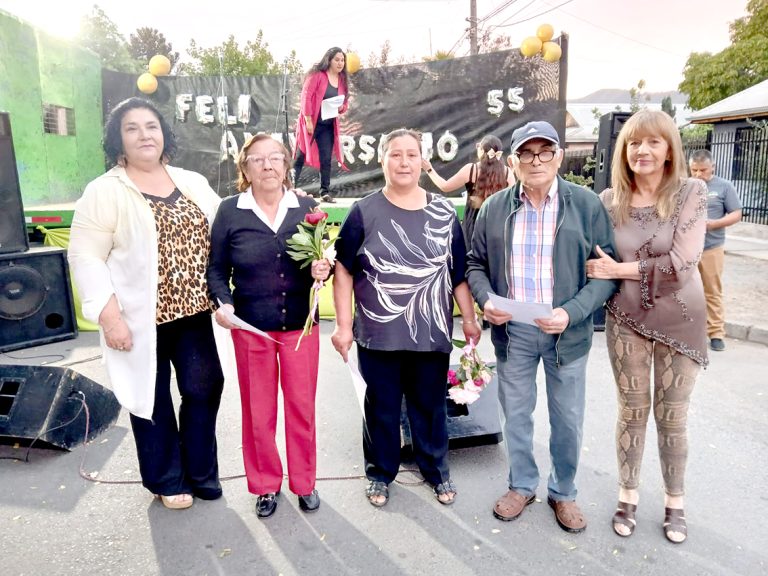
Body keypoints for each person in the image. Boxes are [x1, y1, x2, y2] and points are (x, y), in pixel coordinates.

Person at [68, 97, 225, 510]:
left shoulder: (191, 181)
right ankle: (167, 480)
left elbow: (224, 233)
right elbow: (85, 256)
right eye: (132, 128)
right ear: (118, 139)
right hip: (138, 318)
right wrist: (109, 315)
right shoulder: (105, 191)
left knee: (204, 389)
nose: (144, 135)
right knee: (149, 397)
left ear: (164, 134)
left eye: (151, 126)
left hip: (193, 313)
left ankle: (201, 472)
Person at [466, 120, 619, 533]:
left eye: (545, 151)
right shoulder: (494, 207)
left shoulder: (585, 205)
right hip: (513, 333)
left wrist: (572, 312)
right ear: (513, 161)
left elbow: (607, 273)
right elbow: (474, 264)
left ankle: (564, 491)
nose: (536, 161)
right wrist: (487, 301)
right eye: (527, 153)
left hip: (565, 334)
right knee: (516, 414)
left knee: (567, 418)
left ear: (558, 157)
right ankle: (522, 484)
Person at [331, 128, 482, 508]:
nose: (403, 162)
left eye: (411, 155)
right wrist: (344, 326)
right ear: (382, 160)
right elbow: (344, 270)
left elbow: (457, 272)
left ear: (422, 161)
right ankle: (380, 473)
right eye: (395, 154)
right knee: (380, 408)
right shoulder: (363, 211)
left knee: (429, 406)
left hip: (430, 332)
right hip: (377, 335)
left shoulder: (444, 212)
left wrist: (468, 318)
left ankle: (436, 470)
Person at [586, 109, 708, 544]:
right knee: (632, 413)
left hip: (682, 321)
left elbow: (683, 264)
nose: (643, 150)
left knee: (672, 419)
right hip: (626, 319)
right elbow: (592, 259)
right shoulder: (608, 200)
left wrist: (618, 268)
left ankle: (675, 502)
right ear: (624, 149)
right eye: (635, 142)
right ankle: (628, 495)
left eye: (654, 141)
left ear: (670, 148)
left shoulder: (691, 192)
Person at [207, 134, 331, 519]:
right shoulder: (230, 211)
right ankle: (265, 485)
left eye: (275, 158)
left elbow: (322, 257)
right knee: (258, 412)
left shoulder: (307, 207)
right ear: (245, 168)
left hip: (300, 327)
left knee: (301, 408)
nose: (267, 166)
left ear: (286, 165)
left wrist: (321, 269)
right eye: (258, 159)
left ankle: (304, 482)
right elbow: (215, 269)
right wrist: (222, 302)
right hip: (251, 329)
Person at [422, 134, 516, 250]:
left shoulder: (472, 170)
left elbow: (445, 186)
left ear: (481, 150)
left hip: (472, 226)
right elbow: (513, 200)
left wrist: (429, 169)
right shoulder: (507, 173)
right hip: (498, 226)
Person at [689, 149, 743, 352]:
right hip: (687, 249)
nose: (698, 175)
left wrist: (713, 224)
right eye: (694, 170)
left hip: (711, 247)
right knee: (686, 291)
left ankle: (716, 333)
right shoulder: (685, 186)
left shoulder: (724, 187)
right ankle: (691, 331)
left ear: (713, 167)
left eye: (703, 170)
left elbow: (736, 213)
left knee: (712, 292)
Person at [292, 46, 349, 203]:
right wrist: (309, 120)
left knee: (326, 158)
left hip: (328, 124)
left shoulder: (342, 80)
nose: (340, 63)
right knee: (300, 156)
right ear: (329, 60)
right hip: (311, 122)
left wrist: (341, 107)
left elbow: (344, 103)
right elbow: (306, 96)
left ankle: (324, 191)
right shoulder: (317, 75)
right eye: (337, 59)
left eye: (342, 60)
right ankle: (289, 187)